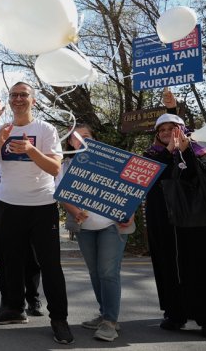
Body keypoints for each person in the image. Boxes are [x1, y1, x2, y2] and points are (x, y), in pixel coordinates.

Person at [0, 82, 73, 344]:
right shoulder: (1, 131)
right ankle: (13, 308)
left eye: (24, 95)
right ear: (9, 101)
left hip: (42, 206)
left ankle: (59, 319)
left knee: (50, 265)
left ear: (33, 100)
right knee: (11, 263)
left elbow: (55, 168)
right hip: (9, 207)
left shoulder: (45, 129)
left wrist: (31, 150)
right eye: (14, 95)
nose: (18, 99)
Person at [143, 113, 206, 339]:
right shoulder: (151, 155)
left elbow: (200, 178)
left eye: (171, 128)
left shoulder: (200, 151)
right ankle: (175, 313)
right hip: (162, 218)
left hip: (195, 220)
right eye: (162, 129)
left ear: (183, 129)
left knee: (200, 266)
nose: (166, 133)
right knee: (167, 265)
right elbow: (149, 178)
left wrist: (184, 152)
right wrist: (168, 152)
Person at [58, 124, 133, 342]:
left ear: (94, 140)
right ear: (70, 143)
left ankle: (110, 322)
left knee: (108, 272)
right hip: (85, 229)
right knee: (95, 272)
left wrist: (131, 214)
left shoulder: (112, 162)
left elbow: (131, 189)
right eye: (75, 138)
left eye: (86, 136)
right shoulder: (66, 165)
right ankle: (104, 314)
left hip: (113, 226)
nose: (80, 140)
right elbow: (61, 194)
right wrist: (74, 210)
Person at [0, 99, 43, 316]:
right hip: (3, 207)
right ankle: (8, 300)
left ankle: (33, 299)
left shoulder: (40, 131)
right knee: (6, 259)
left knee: (32, 257)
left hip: (31, 206)